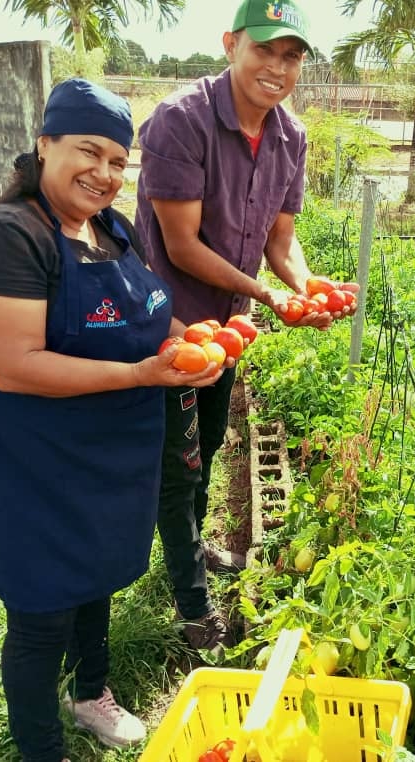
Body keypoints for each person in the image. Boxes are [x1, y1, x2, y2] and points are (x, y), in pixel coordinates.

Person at [0, 78, 224, 762]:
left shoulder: (110, 228)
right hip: (35, 459)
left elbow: (149, 317)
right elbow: (14, 364)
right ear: (44, 144)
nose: (103, 173)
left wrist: (196, 344)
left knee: (97, 576)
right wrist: (140, 375)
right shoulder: (8, 236)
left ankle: (91, 693)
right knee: (43, 611)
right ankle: (40, 744)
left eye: (116, 161)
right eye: (87, 151)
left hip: (110, 453)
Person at [135, 0, 344, 652]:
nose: (277, 68)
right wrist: (264, 294)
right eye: (265, 50)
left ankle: (189, 554)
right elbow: (181, 243)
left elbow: (282, 240)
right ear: (232, 44)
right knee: (181, 461)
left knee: (213, 441)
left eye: (291, 57)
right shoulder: (181, 120)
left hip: (231, 324)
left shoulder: (291, 138)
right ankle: (193, 607)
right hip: (172, 321)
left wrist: (308, 287)